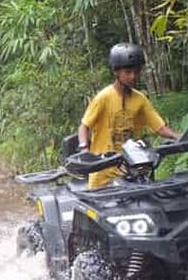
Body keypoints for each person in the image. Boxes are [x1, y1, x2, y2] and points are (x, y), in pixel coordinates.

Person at [77, 42, 179, 189]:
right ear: (116, 72)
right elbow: (84, 126)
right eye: (128, 72)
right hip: (103, 172)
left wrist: (179, 137)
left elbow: (160, 128)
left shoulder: (140, 99)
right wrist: (84, 149)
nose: (133, 76)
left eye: (136, 72)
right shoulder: (103, 98)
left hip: (132, 170)